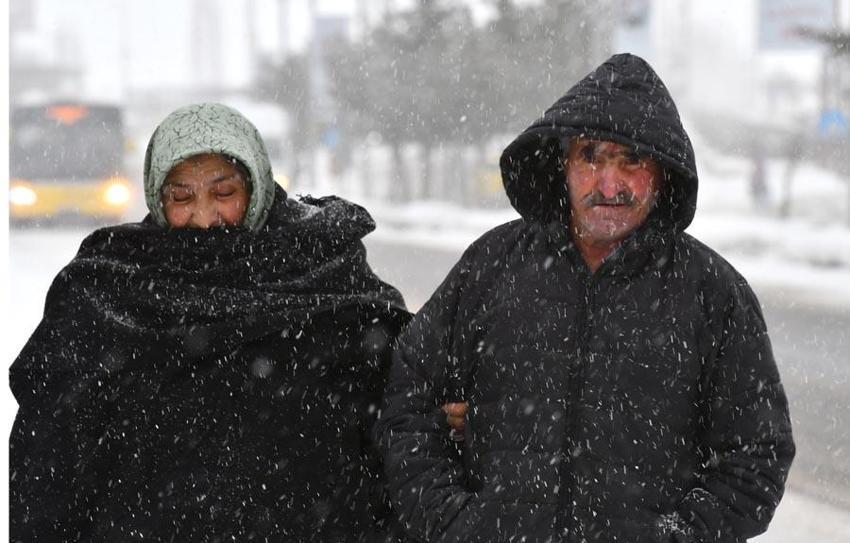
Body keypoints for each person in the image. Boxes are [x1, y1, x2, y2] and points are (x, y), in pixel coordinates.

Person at [377, 53, 795, 542]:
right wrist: (457, 522)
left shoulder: (712, 293)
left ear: (662, 173)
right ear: (563, 165)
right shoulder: (493, 266)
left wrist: (677, 536)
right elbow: (407, 405)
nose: (609, 184)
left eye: (631, 160)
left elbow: (756, 457)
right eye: (591, 156)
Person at [10, 102, 409, 541]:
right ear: (158, 198)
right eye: (181, 197)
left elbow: (404, 411)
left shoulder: (324, 272)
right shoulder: (112, 291)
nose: (204, 218)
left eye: (224, 193)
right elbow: (48, 459)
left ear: (256, 187)